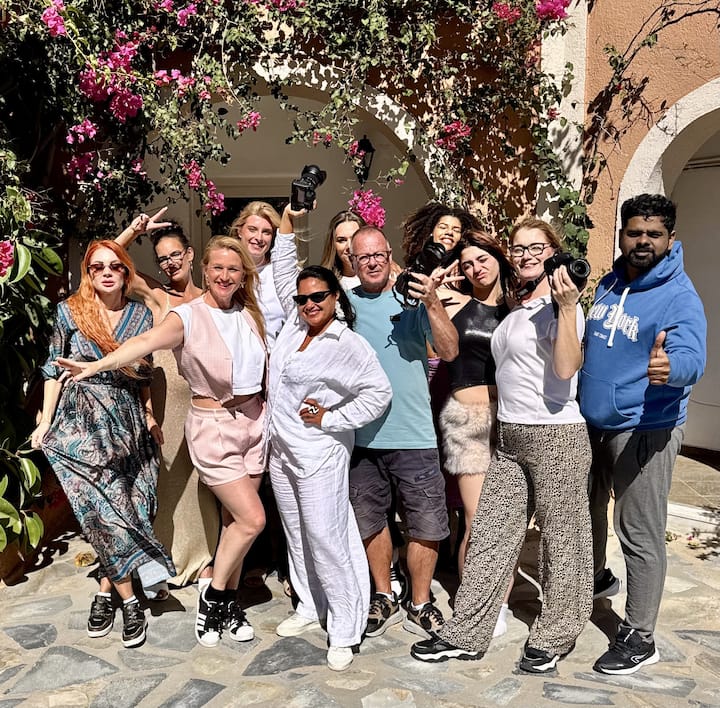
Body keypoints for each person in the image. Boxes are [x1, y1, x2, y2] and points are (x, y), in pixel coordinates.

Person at [55, 236, 267, 649]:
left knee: (235, 523)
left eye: (233, 269)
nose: (225, 276)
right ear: (204, 269)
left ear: (244, 274)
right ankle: (214, 597)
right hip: (214, 427)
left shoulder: (250, 313)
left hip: (256, 424)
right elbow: (142, 344)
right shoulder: (187, 315)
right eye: (218, 268)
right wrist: (97, 365)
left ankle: (229, 604)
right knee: (253, 519)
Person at [411, 217, 593, 674]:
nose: (526, 255)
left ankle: (556, 635)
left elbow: (567, 367)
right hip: (510, 436)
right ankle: (467, 631)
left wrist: (567, 307)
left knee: (562, 541)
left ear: (553, 251)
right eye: (519, 248)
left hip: (555, 436)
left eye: (536, 247)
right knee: (491, 535)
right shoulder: (519, 305)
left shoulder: (561, 305)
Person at [580, 194, 706, 675]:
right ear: (621, 235)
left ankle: (639, 635)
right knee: (587, 513)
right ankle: (594, 579)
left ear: (671, 239)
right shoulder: (610, 282)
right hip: (594, 424)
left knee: (638, 531)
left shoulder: (679, 295)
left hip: (645, 428)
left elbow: (692, 356)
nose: (643, 241)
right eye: (635, 232)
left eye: (654, 234)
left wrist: (672, 368)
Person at [30, 240, 175, 649]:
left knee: (133, 506)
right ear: (88, 274)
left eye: (115, 266)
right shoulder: (70, 312)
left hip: (127, 422)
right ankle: (130, 602)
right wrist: (46, 421)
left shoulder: (141, 314)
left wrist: (149, 416)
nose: (107, 273)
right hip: (85, 423)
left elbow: (144, 374)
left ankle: (105, 591)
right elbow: (53, 370)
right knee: (104, 511)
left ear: (127, 272)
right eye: (98, 267)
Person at [267, 208, 392, 671]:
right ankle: (309, 603)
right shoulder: (294, 326)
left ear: (336, 297)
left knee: (326, 536)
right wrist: (287, 223)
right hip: (282, 450)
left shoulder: (346, 344)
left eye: (318, 296)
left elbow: (379, 393)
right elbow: (284, 271)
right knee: (297, 534)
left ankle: (344, 626)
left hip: (319, 453)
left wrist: (332, 417)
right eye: (302, 299)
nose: (309, 304)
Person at [345, 225, 459, 640]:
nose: (372, 262)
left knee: (425, 523)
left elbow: (449, 350)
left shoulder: (412, 297)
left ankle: (420, 601)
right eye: (363, 257)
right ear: (352, 261)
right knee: (369, 520)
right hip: (361, 438)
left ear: (389, 254)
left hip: (414, 434)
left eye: (378, 254)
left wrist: (432, 301)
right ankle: (383, 594)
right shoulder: (344, 305)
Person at [116, 211, 218, 590]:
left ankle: (204, 560)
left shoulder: (213, 298)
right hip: (164, 406)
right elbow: (110, 260)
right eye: (163, 259)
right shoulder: (159, 297)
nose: (170, 263)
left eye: (176, 254)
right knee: (167, 482)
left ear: (190, 255)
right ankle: (164, 562)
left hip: (205, 406)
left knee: (204, 483)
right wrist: (133, 231)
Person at [436, 231, 515, 634]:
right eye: (467, 263)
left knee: (507, 520)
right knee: (478, 518)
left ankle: (500, 600)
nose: (475, 268)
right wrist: (436, 281)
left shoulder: (519, 306)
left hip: (513, 418)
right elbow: (413, 293)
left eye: (482, 259)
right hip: (468, 420)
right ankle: (476, 601)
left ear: (498, 257)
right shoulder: (452, 300)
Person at [230, 201, 284, 347]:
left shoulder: (280, 274)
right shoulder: (225, 273)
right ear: (240, 231)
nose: (259, 238)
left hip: (273, 355)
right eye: (252, 229)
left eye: (266, 232)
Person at [320, 210, 366, 290]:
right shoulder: (323, 282)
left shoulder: (382, 278)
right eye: (342, 240)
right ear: (333, 245)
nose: (349, 246)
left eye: (354, 238)